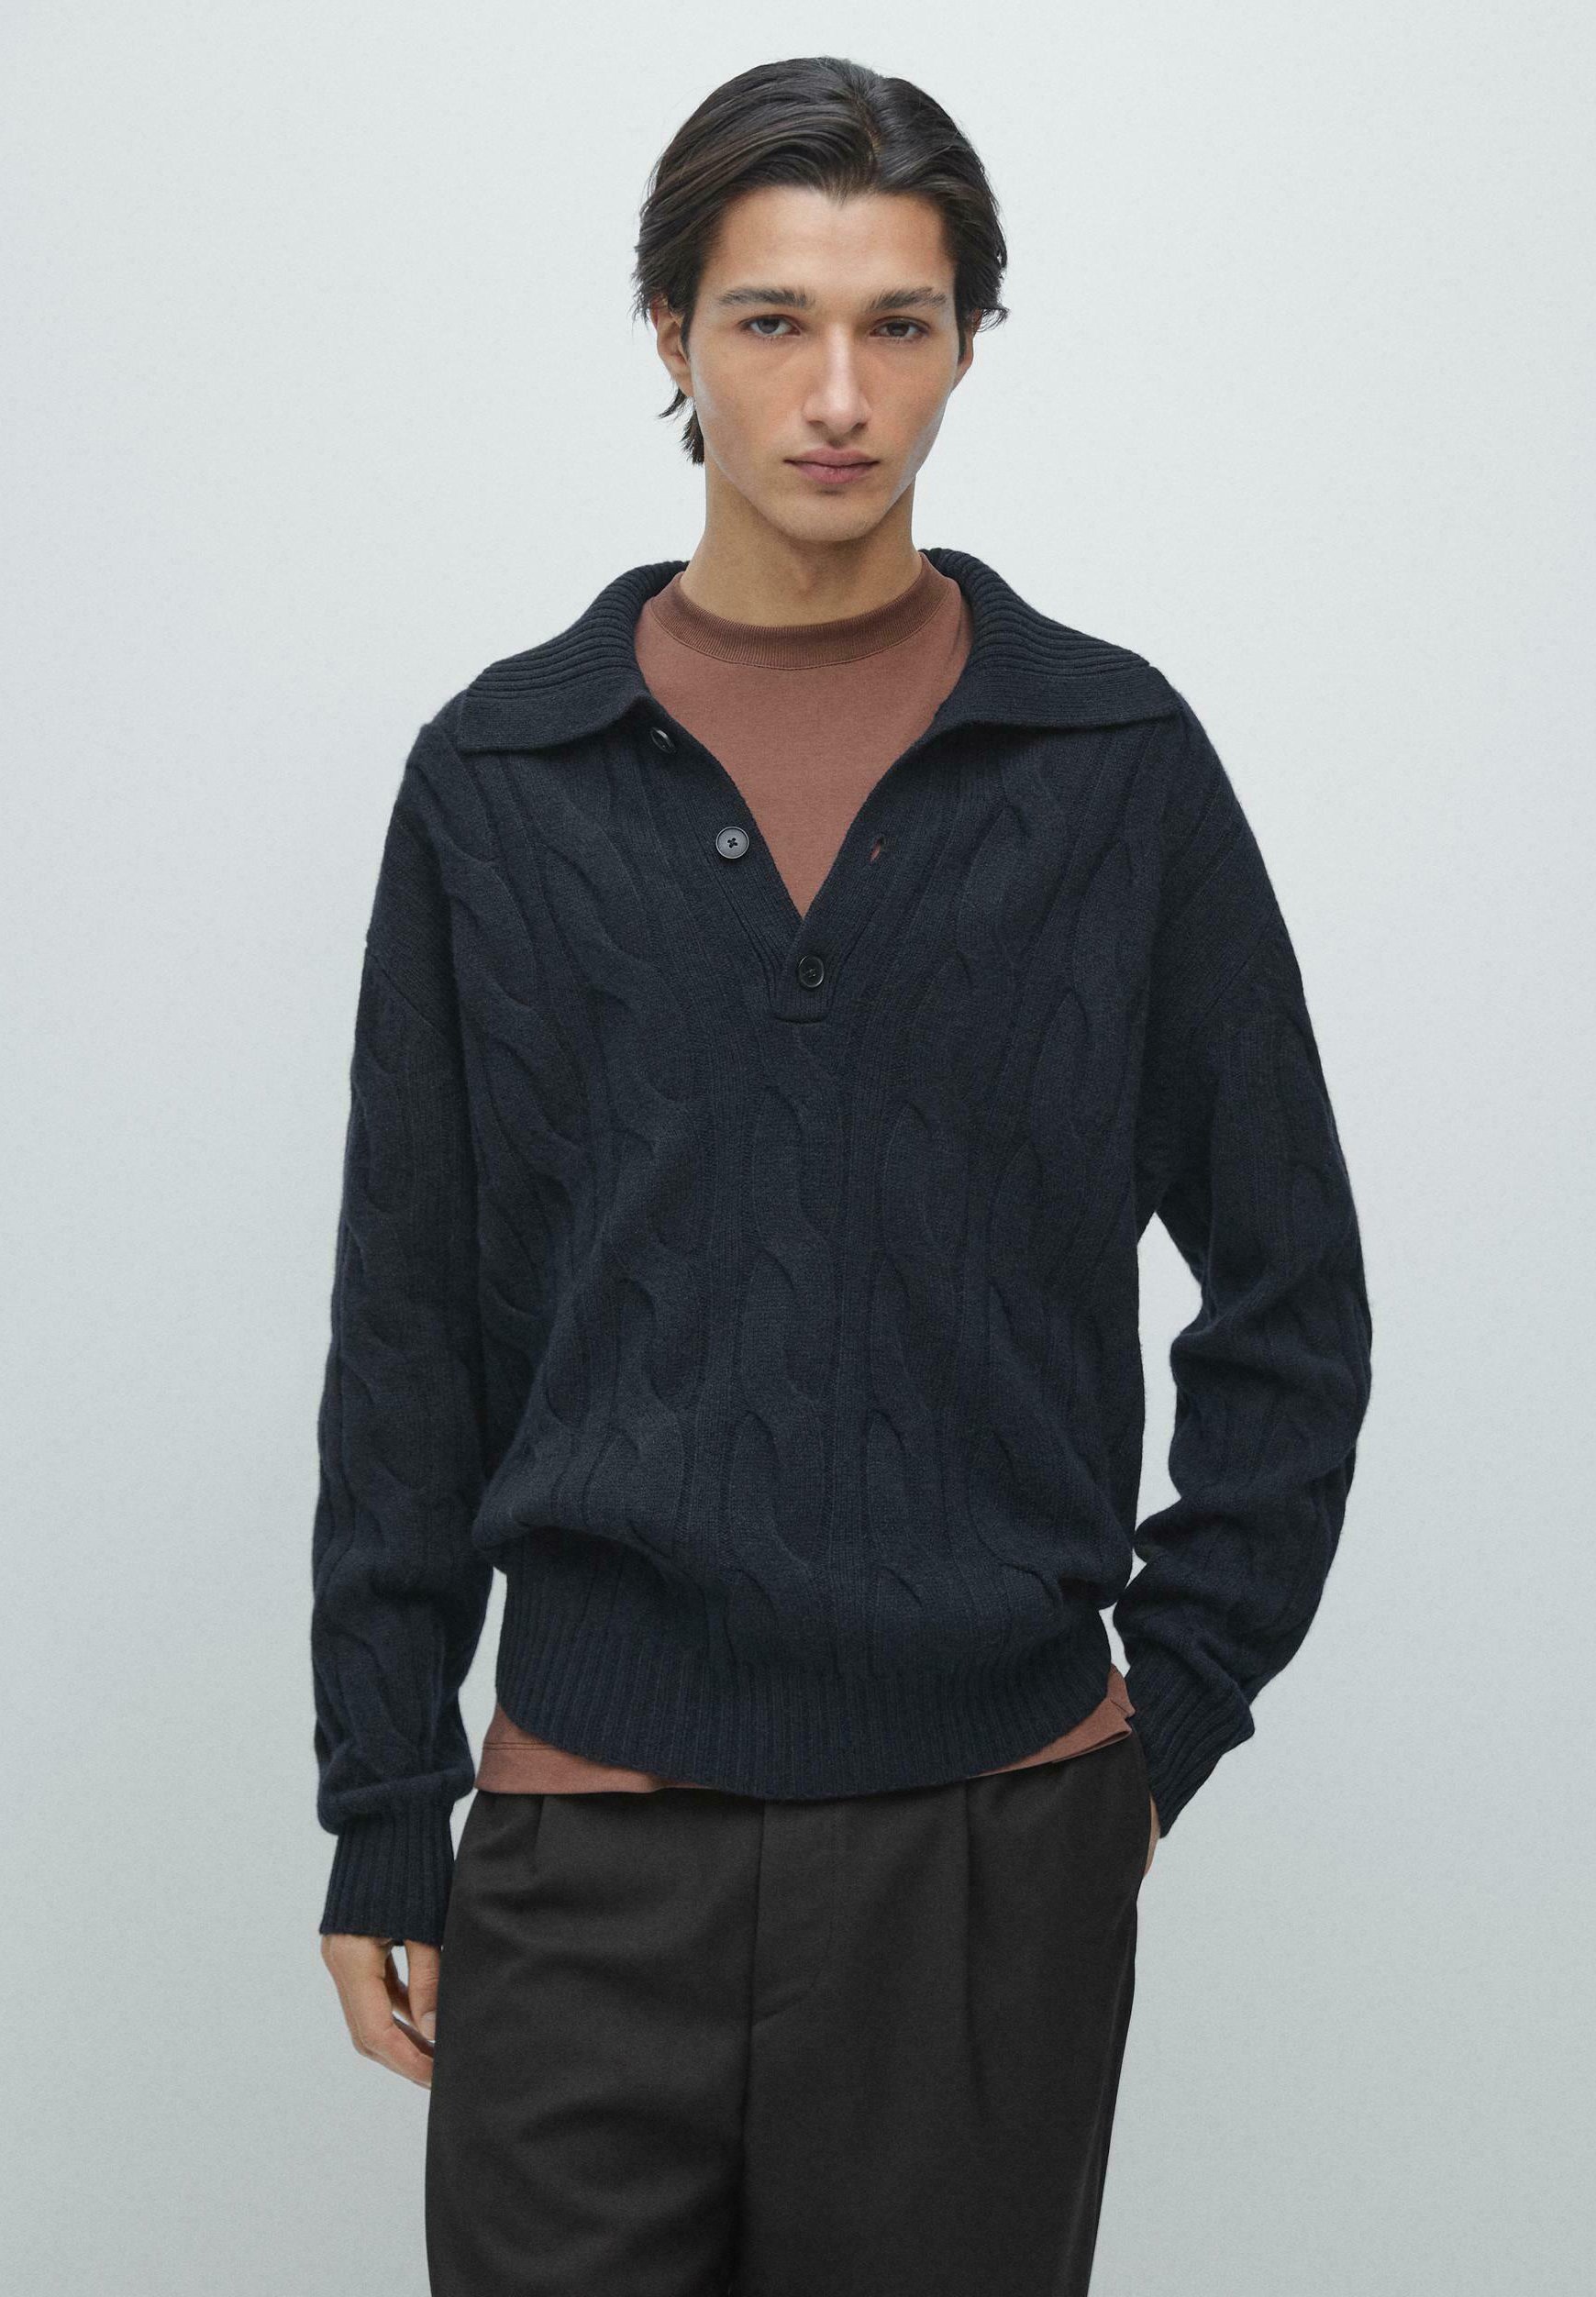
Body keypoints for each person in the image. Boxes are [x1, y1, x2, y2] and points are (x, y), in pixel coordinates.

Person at [311, 53, 1374, 2297]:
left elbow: (1294, 1291)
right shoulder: (505, 779)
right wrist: (384, 1797)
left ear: (970, 342)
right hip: (584, 1842)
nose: (837, 394)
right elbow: (410, 1331)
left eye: (900, 323)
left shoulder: (1111, 766)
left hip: (991, 1840)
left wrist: (1160, 1721)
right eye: (772, 319)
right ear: (671, 335)